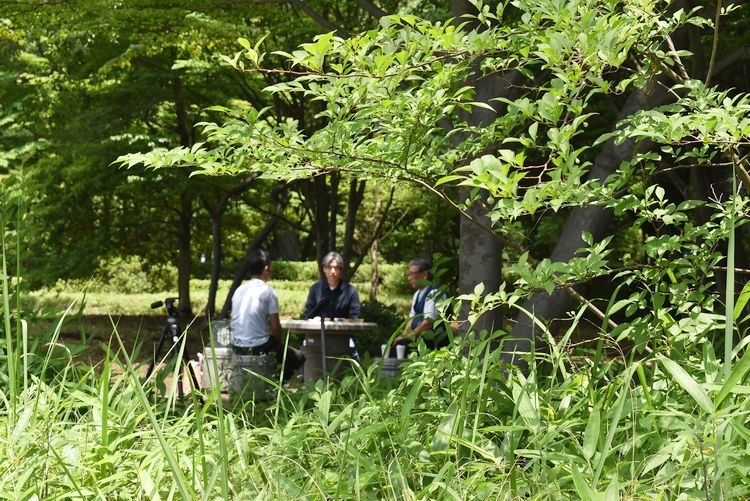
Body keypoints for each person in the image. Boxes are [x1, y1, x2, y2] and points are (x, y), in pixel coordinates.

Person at [231, 249, 304, 382]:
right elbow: (276, 327)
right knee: (297, 356)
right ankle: (277, 384)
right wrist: (279, 344)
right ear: (266, 268)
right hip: (259, 346)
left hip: (236, 345)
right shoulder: (268, 291)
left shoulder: (239, 290)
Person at [392, 258, 445, 356]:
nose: (409, 278)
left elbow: (428, 322)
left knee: (401, 345)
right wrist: (403, 335)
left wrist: (408, 336)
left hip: (431, 339)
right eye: (408, 274)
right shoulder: (417, 294)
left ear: (424, 275)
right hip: (417, 336)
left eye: (411, 274)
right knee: (394, 342)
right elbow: (411, 319)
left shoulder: (435, 292)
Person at [303, 251, 361, 320]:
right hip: (318, 329)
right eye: (329, 267)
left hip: (343, 330)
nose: (333, 271)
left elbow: (355, 317)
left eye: (336, 267)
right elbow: (307, 315)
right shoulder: (315, 289)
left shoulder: (351, 291)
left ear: (340, 269)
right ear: (324, 269)